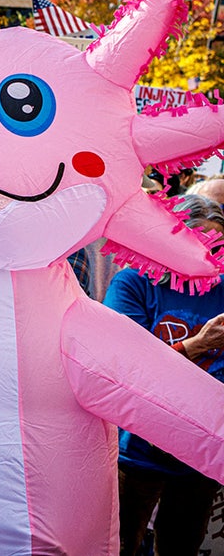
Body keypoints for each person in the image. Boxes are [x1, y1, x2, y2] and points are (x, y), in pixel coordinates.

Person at [104, 194, 224, 556]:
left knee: (180, 544)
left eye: (217, 244)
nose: (207, 254)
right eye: (198, 240)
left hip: (203, 449)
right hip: (139, 446)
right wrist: (198, 344)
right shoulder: (134, 283)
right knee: (119, 542)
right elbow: (126, 364)